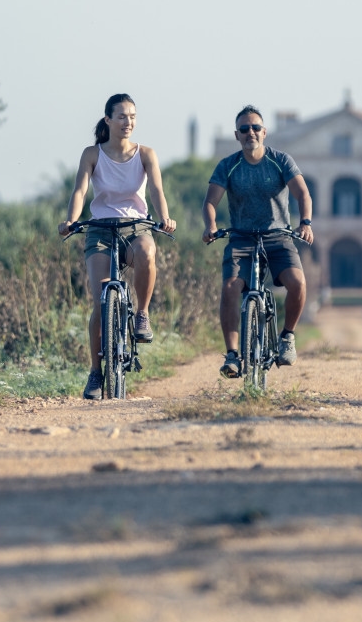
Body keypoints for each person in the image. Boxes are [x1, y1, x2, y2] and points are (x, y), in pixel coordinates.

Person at [59, 94, 177, 400]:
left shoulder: (146, 154)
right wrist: (71, 220)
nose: (128, 122)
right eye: (122, 117)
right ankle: (96, 372)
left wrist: (164, 218)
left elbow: (156, 190)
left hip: (135, 226)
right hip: (100, 229)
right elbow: (80, 190)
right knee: (100, 303)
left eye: (133, 117)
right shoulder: (92, 154)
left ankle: (142, 314)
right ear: (108, 120)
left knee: (147, 252)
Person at [202, 105, 314, 377]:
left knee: (297, 283)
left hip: (278, 238)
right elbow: (210, 202)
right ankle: (232, 354)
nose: (250, 132)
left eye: (255, 128)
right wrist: (211, 226)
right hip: (241, 239)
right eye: (244, 129)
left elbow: (303, 194)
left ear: (264, 132)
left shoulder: (280, 160)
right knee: (230, 287)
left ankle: (287, 336)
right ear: (237, 135)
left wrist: (306, 223)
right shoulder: (228, 166)